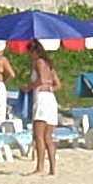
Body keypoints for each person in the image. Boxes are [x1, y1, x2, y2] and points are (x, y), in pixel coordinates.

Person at [24, 43, 61, 175]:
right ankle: (52, 168)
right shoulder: (49, 65)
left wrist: (28, 87)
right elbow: (58, 85)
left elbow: (41, 80)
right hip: (50, 98)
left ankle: (40, 168)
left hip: (42, 98)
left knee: (38, 135)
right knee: (48, 137)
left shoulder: (38, 63)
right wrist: (48, 88)